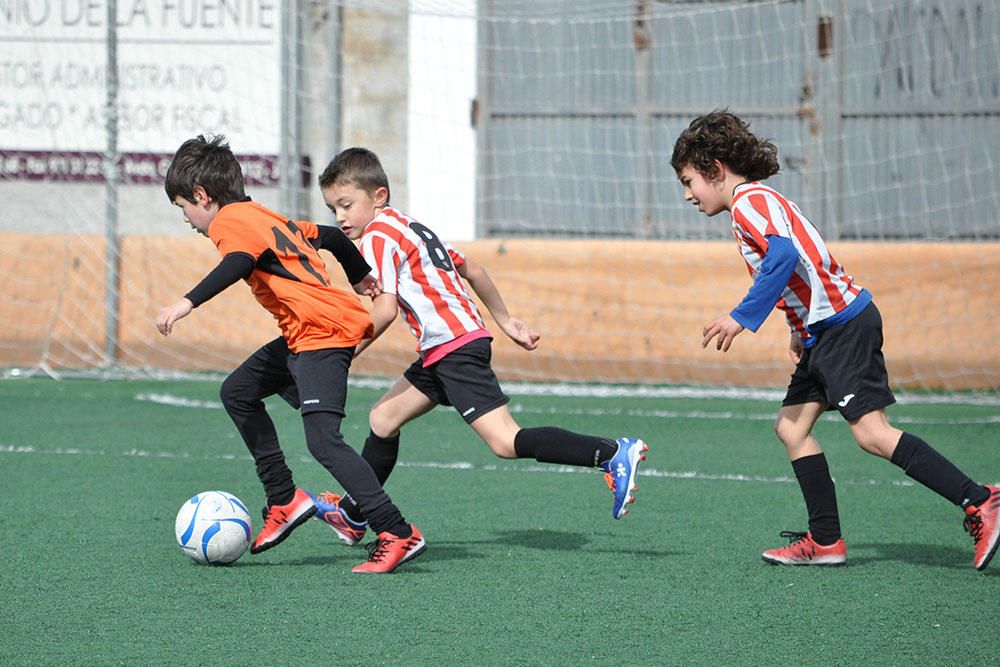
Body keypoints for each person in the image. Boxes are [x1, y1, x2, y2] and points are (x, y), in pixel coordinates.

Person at [670, 110, 999, 570]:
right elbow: (801, 266)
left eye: (688, 181)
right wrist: (797, 329)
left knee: (872, 434)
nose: (687, 194)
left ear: (715, 170)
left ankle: (980, 499)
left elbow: (784, 256)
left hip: (844, 326)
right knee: (791, 427)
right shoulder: (758, 201)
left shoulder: (748, 203)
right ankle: (826, 542)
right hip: (822, 332)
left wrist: (743, 317)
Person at [304, 147, 648, 546]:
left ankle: (610, 452)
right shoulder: (409, 226)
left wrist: (340, 354)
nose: (341, 217)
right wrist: (505, 320)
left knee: (505, 441)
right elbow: (474, 269)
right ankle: (352, 515)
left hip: (454, 348)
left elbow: (383, 310)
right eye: (333, 209)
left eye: (347, 204)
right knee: (383, 419)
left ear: (379, 196)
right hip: (444, 348)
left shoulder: (378, 236)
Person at [155, 134, 425, 574]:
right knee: (238, 391)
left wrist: (186, 302)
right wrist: (359, 279)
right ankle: (284, 498)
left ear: (202, 196)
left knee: (323, 442)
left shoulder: (229, 222)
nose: (187, 219)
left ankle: (397, 531)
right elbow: (335, 238)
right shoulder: (263, 214)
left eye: (184, 207)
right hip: (306, 334)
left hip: (322, 333)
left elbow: (238, 262)